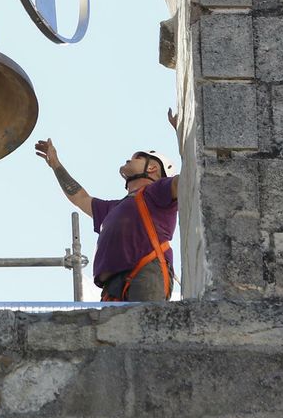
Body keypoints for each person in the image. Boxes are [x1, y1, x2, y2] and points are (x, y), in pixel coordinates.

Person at [34, 127, 179, 302]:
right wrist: (56, 164)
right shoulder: (114, 208)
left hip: (146, 272)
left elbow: (184, 180)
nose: (129, 159)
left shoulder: (157, 191)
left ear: (152, 168)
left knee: (146, 318)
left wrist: (184, 138)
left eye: (137, 158)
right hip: (113, 286)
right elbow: (80, 197)